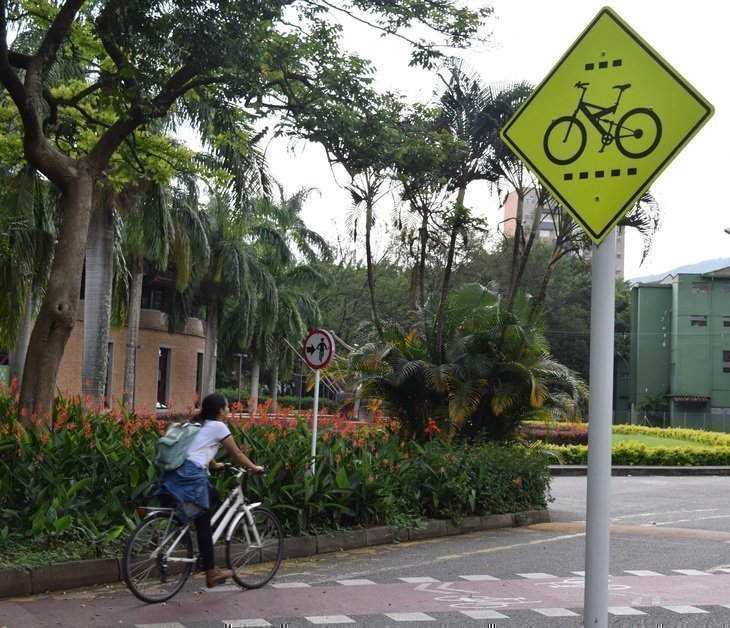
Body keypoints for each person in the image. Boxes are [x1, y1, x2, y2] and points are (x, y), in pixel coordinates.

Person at [158, 393, 264, 588]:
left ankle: (196, 536)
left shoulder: (200, 425)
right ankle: (211, 572)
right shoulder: (218, 426)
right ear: (220, 411)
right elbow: (237, 452)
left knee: (213, 495)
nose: (229, 411)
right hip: (190, 475)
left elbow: (199, 448)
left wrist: (215, 465)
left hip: (177, 472)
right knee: (204, 523)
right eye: (227, 407)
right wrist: (253, 467)